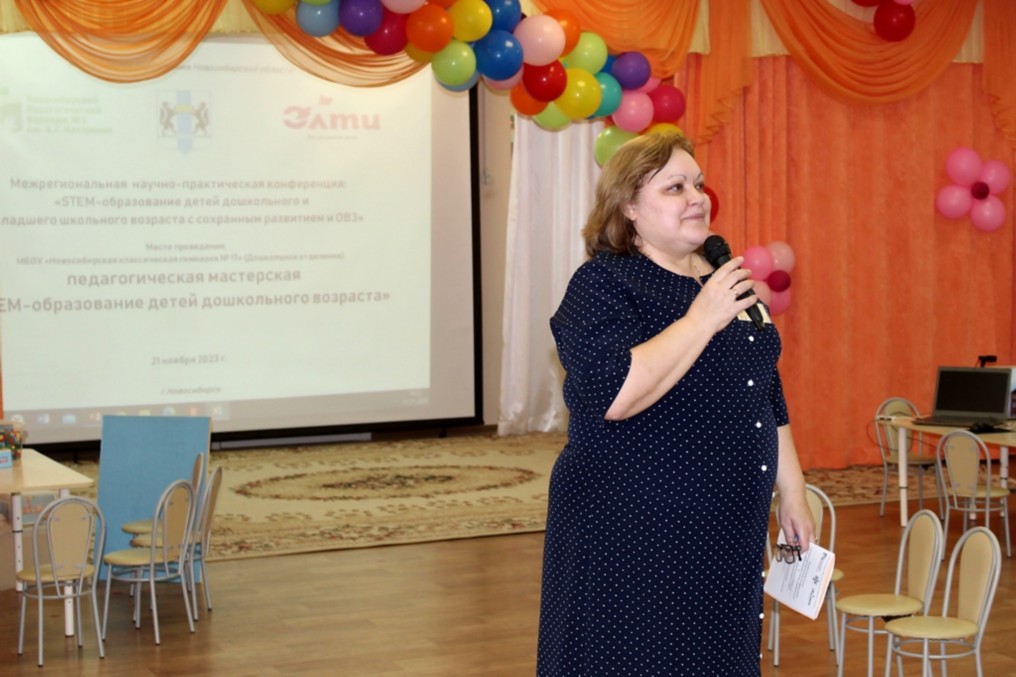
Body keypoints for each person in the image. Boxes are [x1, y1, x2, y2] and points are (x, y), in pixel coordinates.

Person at [536, 131, 815, 675]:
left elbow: (763, 388)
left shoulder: (720, 281)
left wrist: (794, 490)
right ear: (629, 207)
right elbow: (613, 395)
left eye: (699, 184)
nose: (697, 198)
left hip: (725, 528)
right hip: (631, 531)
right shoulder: (603, 283)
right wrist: (702, 319)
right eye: (675, 187)